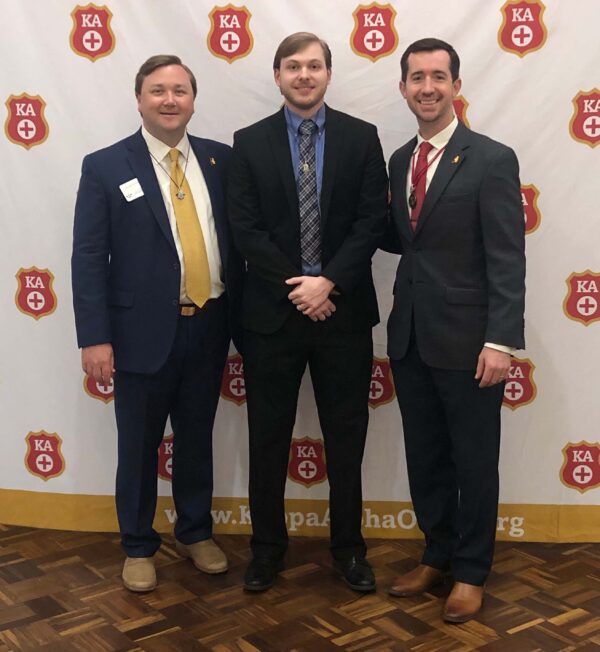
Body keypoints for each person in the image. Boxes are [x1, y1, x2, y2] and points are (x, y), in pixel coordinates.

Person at [71, 54, 241, 592]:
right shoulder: (105, 166)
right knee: (138, 445)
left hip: (209, 325)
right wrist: (95, 337)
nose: (170, 100)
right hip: (138, 334)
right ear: (139, 98)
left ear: (194, 99)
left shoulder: (221, 161)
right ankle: (139, 544)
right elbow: (89, 257)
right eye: (158, 90)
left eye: (180, 90)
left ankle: (195, 532)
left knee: (196, 438)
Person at [227, 32, 388, 593]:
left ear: (328, 74)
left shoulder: (362, 138)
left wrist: (329, 283)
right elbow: (244, 228)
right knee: (267, 437)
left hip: (342, 316)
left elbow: (371, 222)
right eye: (292, 66)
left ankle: (349, 549)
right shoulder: (247, 142)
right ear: (277, 76)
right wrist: (300, 287)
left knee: (348, 438)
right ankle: (267, 549)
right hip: (271, 316)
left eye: (313, 66)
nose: (303, 75)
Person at [384, 38, 525, 622]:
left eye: (438, 77)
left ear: (456, 86)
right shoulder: (399, 161)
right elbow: (404, 242)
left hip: (471, 344)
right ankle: (436, 554)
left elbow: (507, 257)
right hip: (411, 337)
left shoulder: (491, 158)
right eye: (417, 77)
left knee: (473, 460)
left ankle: (471, 571)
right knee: (425, 456)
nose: (427, 88)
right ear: (403, 88)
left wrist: (500, 341)